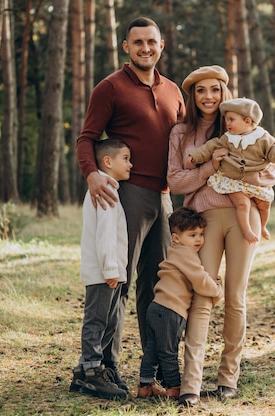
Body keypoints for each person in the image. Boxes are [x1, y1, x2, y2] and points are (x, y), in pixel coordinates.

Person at [75, 16, 185, 391]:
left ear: (161, 45)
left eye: (151, 42)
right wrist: (92, 174)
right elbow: (86, 137)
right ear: (126, 47)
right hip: (128, 194)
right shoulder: (110, 88)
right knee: (115, 281)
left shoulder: (173, 91)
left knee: (156, 287)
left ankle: (149, 374)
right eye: (137, 42)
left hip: (164, 198)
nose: (145, 48)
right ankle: (100, 368)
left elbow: (185, 145)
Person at [167, 65, 275, 406]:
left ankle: (227, 378)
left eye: (214, 90)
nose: (208, 97)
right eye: (201, 91)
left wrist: (244, 176)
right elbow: (175, 181)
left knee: (235, 296)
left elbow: (273, 170)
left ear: (224, 93)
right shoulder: (180, 133)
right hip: (202, 222)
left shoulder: (243, 126)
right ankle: (191, 384)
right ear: (193, 95)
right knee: (202, 296)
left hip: (241, 216)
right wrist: (210, 168)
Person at [137, 207, 223, 400]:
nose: (199, 239)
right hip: (171, 310)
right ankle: (174, 387)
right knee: (168, 351)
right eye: (192, 235)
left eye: (201, 234)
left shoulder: (176, 252)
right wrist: (217, 291)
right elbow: (200, 280)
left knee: (153, 348)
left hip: (156, 306)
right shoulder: (186, 254)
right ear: (176, 238)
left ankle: (145, 384)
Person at [70, 139, 132, 400]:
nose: (131, 164)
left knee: (109, 322)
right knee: (97, 322)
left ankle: (86, 371)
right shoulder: (105, 190)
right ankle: (92, 373)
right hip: (104, 274)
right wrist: (110, 270)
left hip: (112, 273)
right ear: (108, 161)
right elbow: (105, 235)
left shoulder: (111, 189)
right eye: (126, 158)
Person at [187, 97, 275, 244]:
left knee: (265, 204)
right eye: (226, 119)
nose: (227, 123)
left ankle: (262, 226)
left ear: (247, 121)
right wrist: (196, 156)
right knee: (243, 204)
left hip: (256, 183)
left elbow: (273, 150)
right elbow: (211, 146)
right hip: (233, 180)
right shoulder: (227, 138)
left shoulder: (262, 138)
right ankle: (246, 230)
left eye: (231, 120)